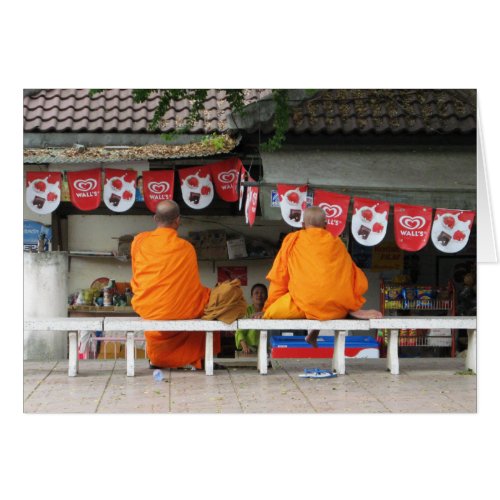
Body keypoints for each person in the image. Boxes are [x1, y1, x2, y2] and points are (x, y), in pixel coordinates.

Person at [131, 200, 240, 369]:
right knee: (214, 303)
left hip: (149, 306)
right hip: (181, 308)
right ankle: (200, 359)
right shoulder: (186, 247)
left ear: (155, 218)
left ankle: (158, 359)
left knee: (163, 305)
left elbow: (138, 276)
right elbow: (190, 286)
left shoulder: (139, 242)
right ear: (178, 220)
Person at [263, 206, 383, 347]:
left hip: (303, 305)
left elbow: (280, 277)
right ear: (326, 225)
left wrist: (268, 308)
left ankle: (318, 323)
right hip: (335, 307)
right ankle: (346, 312)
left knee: (274, 311)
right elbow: (353, 276)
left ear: (302, 225)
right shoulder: (337, 242)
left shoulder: (293, 240)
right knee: (327, 300)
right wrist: (351, 305)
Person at [234, 283, 268, 354]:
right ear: (252, 296)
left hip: (268, 348)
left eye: (262, 293)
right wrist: (245, 347)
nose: (259, 295)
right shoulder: (246, 311)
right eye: (256, 293)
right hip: (250, 348)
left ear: (267, 296)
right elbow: (239, 331)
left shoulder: (270, 310)